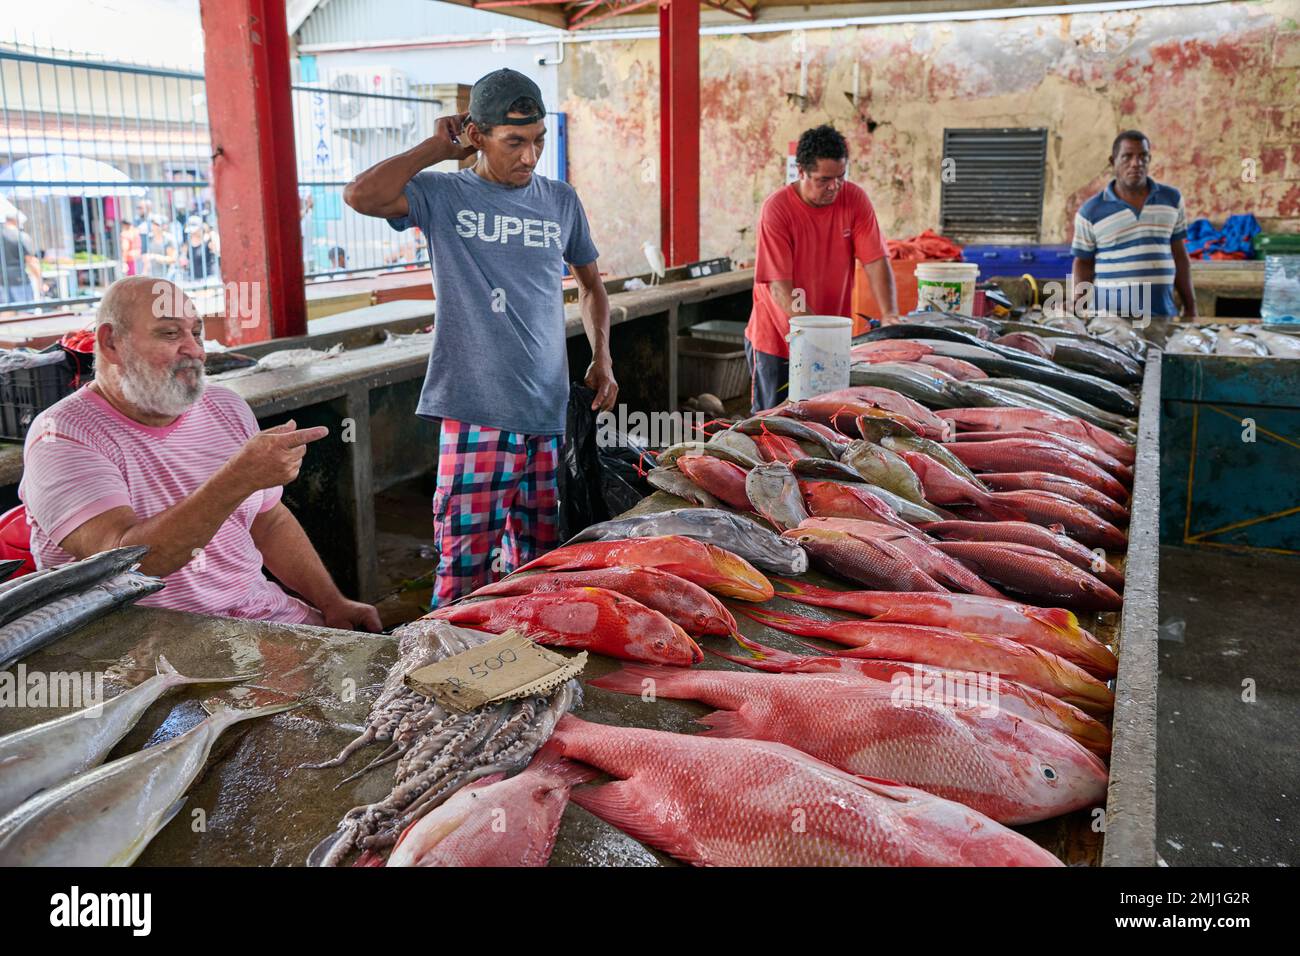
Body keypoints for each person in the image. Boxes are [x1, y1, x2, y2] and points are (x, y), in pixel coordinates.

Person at [343, 67, 617, 607]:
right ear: (476, 136)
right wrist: (432, 148)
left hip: (546, 411)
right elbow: (361, 196)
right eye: (514, 142)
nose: (529, 156)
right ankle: (444, 678)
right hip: (475, 413)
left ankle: (524, 673)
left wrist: (602, 357)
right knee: (464, 572)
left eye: (538, 141)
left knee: (538, 570)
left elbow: (591, 288)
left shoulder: (561, 200)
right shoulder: (442, 194)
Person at [19, 276, 381, 632]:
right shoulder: (62, 435)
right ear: (111, 343)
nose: (195, 351)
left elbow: (267, 522)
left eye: (197, 333)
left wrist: (332, 602)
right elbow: (125, 564)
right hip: (141, 647)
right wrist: (237, 478)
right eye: (170, 333)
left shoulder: (225, 406)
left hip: (258, 618)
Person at [745, 124, 898, 413]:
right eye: (824, 179)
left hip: (829, 340)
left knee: (827, 420)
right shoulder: (776, 210)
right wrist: (820, 339)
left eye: (841, 177)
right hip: (777, 341)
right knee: (771, 423)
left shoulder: (854, 199)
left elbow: (875, 260)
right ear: (801, 171)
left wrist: (889, 314)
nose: (834, 187)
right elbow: (780, 289)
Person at [1071, 130, 1197, 324]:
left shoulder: (1171, 200)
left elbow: (1179, 255)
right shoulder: (1090, 211)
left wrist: (1191, 307)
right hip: (1110, 322)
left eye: (1142, 156)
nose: (1136, 163)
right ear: (1113, 162)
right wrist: (1078, 308)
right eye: (1127, 157)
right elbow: (1083, 263)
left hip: (1162, 317)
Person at [1, 210, 41, 307]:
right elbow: (31, 261)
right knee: (26, 311)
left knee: (6, 312)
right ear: (17, 221)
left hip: (2, 280)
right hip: (19, 279)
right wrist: (40, 281)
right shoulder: (21, 237)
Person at [180, 215, 220, 283]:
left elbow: (218, 253)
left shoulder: (209, 239)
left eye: (194, 231)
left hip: (209, 279)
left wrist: (212, 240)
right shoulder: (187, 244)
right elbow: (183, 261)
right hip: (193, 280)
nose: (192, 233)